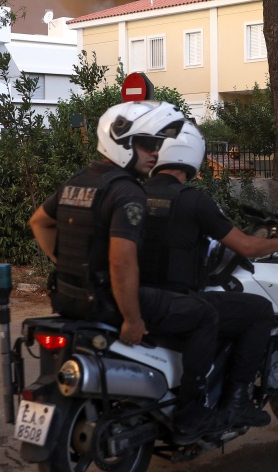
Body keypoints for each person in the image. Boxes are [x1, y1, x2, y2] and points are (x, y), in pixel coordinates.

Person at [28, 101, 226, 445]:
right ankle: (192, 413)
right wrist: (132, 319)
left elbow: (39, 221)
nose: (154, 152)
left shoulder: (78, 181)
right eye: (146, 144)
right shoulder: (126, 191)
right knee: (206, 314)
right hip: (108, 301)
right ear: (121, 142)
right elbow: (121, 262)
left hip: (68, 298)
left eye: (156, 145)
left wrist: (67, 264)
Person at [140, 122, 278, 429]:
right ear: (192, 158)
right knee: (258, 310)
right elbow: (245, 246)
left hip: (137, 299)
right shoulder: (194, 201)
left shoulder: (133, 194)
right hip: (175, 303)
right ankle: (237, 402)